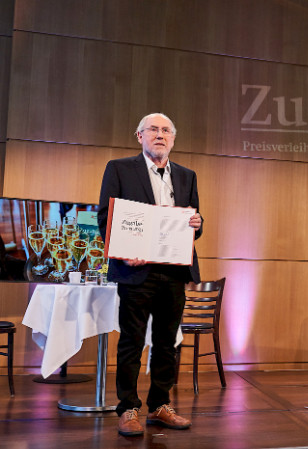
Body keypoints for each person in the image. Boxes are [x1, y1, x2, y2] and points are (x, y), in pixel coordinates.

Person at [98, 113, 203, 436]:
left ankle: (160, 405)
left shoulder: (187, 175)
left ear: (173, 138)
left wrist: (198, 223)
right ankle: (128, 408)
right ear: (139, 136)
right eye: (153, 129)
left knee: (166, 342)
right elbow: (105, 217)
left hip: (174, 270)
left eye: (166, 130)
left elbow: (194, 224)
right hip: (135, 270)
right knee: (131, 341)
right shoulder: (119, 169)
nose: (160, 135)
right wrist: (122, 250)